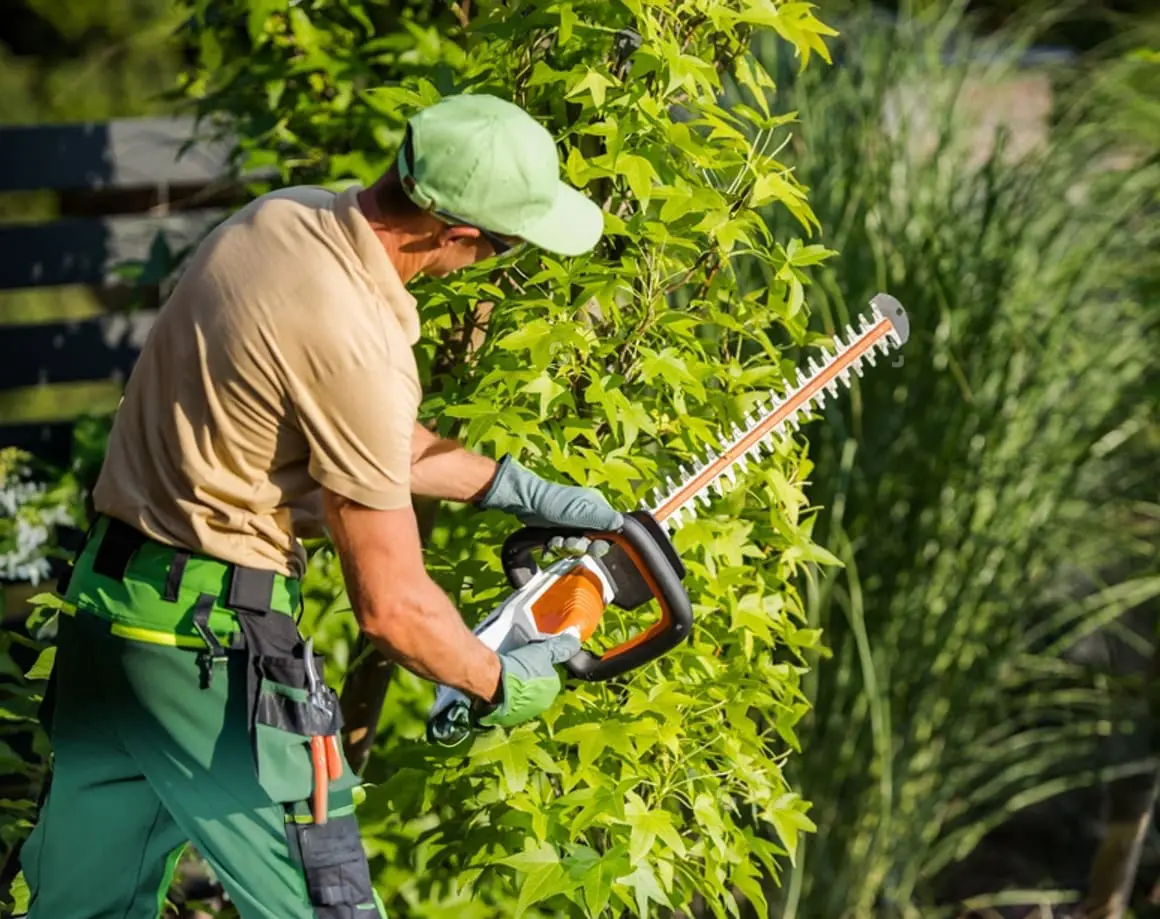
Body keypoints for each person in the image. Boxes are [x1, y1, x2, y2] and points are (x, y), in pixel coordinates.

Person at [19, 93, 620, 919]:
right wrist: (497, 683)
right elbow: (392, 608)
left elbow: (359, 432)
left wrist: (510, 486)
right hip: (213, 662)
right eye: (505, 247)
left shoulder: (282, 223)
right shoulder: (358, 337)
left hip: (108, 623)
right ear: (457, 235)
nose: (494, 264)